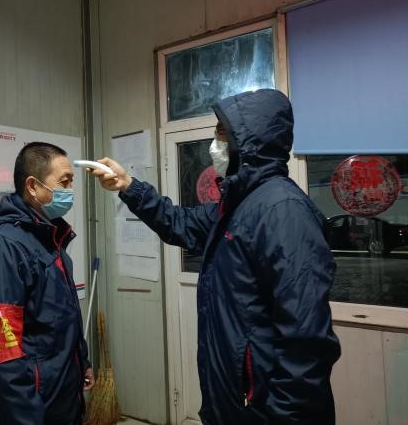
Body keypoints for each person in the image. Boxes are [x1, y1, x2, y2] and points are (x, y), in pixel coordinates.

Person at [90, 89, 341, 425]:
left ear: (250, 142)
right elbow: (179, 222)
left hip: (265, 411)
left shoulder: (282, 211)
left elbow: (305, 340)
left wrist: (287, 417)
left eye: (222, 134)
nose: (213, 145)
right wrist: (128, 185)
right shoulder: (238, 204)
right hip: (234, 402)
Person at [0, 142, 94, 425]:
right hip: (30, 410)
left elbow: (60, 318)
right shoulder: (2, 247)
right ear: (33, 186)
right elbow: (0, 355)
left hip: (60, 398)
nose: (71, 189)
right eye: (64, 182)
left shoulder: (49, 237)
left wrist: (81, 361)